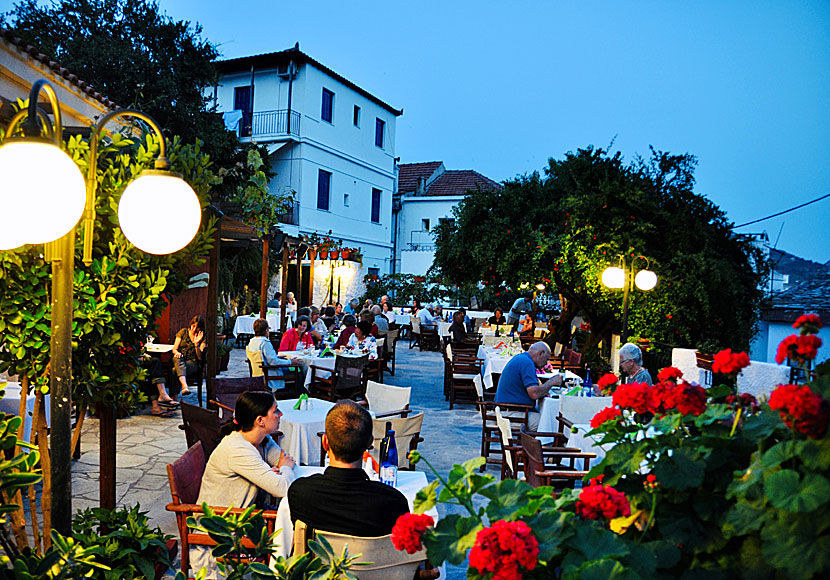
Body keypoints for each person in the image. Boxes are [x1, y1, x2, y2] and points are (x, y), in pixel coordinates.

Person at [193, 391, 296, 578]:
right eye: (276, 411)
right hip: (223, 529)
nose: (280, 415)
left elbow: (281, 459)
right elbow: (282, 486)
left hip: (242, 518)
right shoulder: (238, 449)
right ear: (260, 420)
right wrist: (283, 469)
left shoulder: (261, 440)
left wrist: (279, 469)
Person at [287, 400, 408, 537]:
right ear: (369, 442)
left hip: (318, 558)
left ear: (325, 442)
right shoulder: (393, 502)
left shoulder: (300, 493)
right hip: (371, 559)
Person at [495, 342, 563, 430]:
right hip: (511, 414)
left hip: (506, 410)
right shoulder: (527, 363)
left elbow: (533, 385)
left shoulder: (522, 358)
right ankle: (542, 444)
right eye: (546, 359)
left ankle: (535, 443)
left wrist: (542, 389)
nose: (546, 363)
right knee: (552, 424)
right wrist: (551, 382)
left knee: (549, 420)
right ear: (540, 354)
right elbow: (534, 394)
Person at [246, 319, 301, 389]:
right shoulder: (264, 342)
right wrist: (291, 362)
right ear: (266, 331)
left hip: (258, 373)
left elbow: (266, 358)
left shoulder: (252, 341)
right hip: (269, 373)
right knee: (298, 372)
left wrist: (277, 357)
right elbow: (273, 362)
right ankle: (296, 394)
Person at [172, 315, 206, 397]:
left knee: (174, 370)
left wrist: (196, 344)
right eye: (193, 326)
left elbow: (200, 358)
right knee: (177, 358)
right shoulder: (183, 332)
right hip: (181, 360)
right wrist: (177, 352)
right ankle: (184, 386)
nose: (194, 329)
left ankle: (175, 398)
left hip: (193, 363)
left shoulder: (202, 337)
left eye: (197, 327)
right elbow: (174, 349)